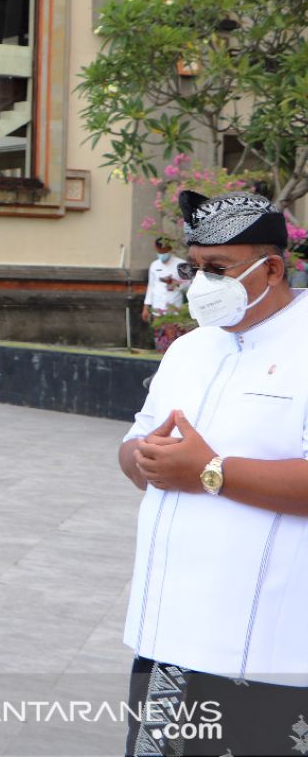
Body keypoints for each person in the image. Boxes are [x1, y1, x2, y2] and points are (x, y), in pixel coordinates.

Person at [118, 191, 308, 757]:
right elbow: (133, 447)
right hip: (167, 638)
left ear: (271, 268)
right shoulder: (190, 350)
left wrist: (209, 472)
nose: (201, 283)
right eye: (193, 267)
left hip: (270, 656)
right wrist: (144, 459)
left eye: (217, 269)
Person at [142, 237, 188, 323]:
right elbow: (151, 286)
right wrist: (146, 307)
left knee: (173, 334)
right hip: (157, 307)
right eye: (159, 252)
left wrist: (176, 284)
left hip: (174, 307)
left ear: (170, 249)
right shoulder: (154, 265)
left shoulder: (182, 264)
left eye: (164, 252)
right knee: (158, 333)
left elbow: (189, 287)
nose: (162, 254)